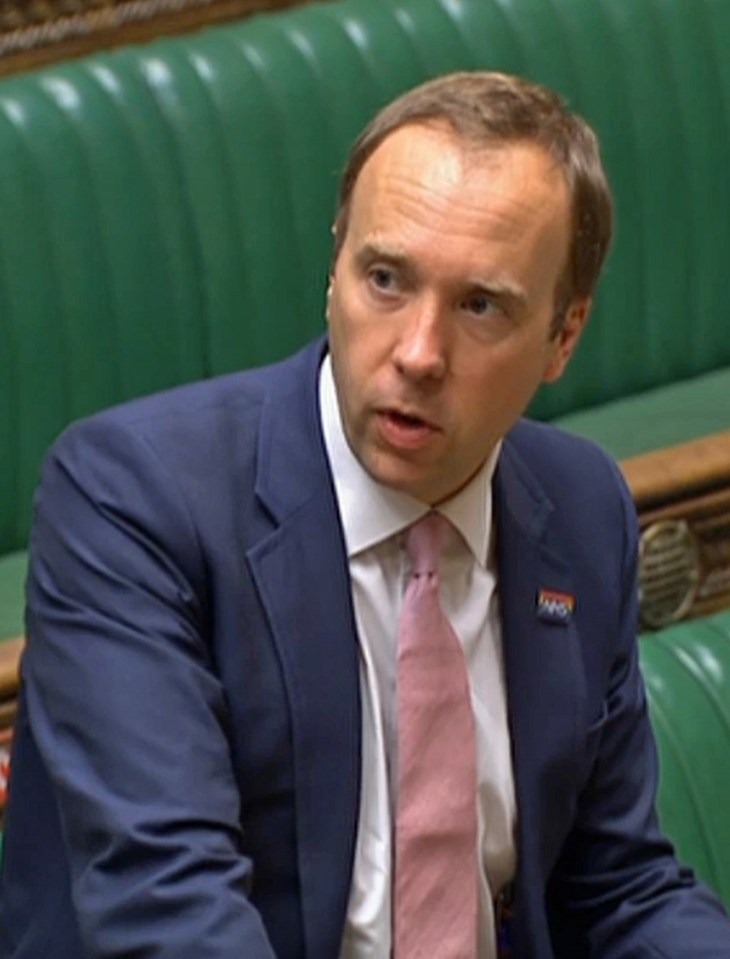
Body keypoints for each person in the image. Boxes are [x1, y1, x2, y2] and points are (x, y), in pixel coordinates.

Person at [1, 71, 729, 959]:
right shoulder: (135, 499)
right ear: (333, 270)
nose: (418, 353)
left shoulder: (579, 507)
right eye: (385, 279)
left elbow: (616, 886)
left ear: (564, 336)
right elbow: (170, 910)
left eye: (480, 305)